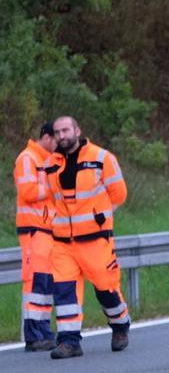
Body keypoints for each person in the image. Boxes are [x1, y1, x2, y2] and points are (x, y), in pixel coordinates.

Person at [43, 116, 130, 359]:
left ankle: (120, 325)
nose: (62, 135)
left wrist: (99, 216)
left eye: (66, 130)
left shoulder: (101, 158)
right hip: (62, 242)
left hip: (95, 240)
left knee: (106, 287)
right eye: (57, 132)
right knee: (64, 291)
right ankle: (69, 341)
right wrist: (51, 221)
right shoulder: (51, 164)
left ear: (77, 131)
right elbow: (49, 199)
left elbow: (119, 194)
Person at [15, 122, 59, 351]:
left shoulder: (48, 161)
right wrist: (53, 187)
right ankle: (32, 334)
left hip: (48, 231)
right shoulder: (27, 158)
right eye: (55, 140)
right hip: (33, 230)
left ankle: (43, 331)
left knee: (45, 283)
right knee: (34, 283)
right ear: (46, 137)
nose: (57, 145)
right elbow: (28, 192)